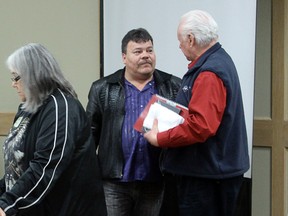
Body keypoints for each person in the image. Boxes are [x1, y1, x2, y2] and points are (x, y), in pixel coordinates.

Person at [144, 10, 250, 216]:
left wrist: (160, 138)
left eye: (180, 40)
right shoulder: (219, 60)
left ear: (191, 39)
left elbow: (200, 126)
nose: (179, 46)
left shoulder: (209, 72)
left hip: (207, 179)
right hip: (213, 173)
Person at [0, 43, 107, 216]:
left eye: (16, 77)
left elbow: (45, 165)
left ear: (33, 75)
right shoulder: (28, 109)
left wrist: (8, 204)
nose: (13, 84)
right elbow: (17, 167)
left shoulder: (61, 108)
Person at [86, 28, 181, 216]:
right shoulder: (103, 88)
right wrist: (90, 177)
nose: (146, 56)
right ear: (124, 57)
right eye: (138, 51)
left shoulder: (172, 86)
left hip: (155, 180)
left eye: (149, 50)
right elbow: (89, 135)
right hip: (114, 183)